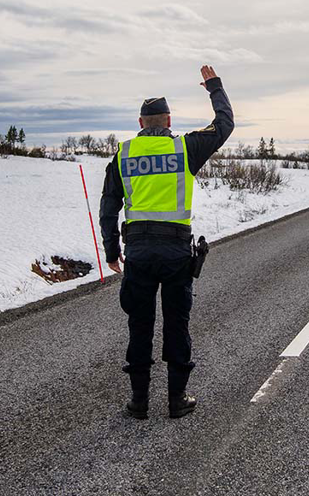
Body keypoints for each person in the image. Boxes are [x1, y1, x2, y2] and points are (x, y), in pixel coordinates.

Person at [99, 64, 234, 419]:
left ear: (141, 123)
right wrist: (214, 87)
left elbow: (109, 205)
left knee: (139, 325)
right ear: (169, 121)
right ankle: (177, 399)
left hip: (138, 253)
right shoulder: (185, 148)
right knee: (177, 324)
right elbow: (224, 124)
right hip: (175, 253)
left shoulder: (124, 153)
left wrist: (111, 249)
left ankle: (139, 401)